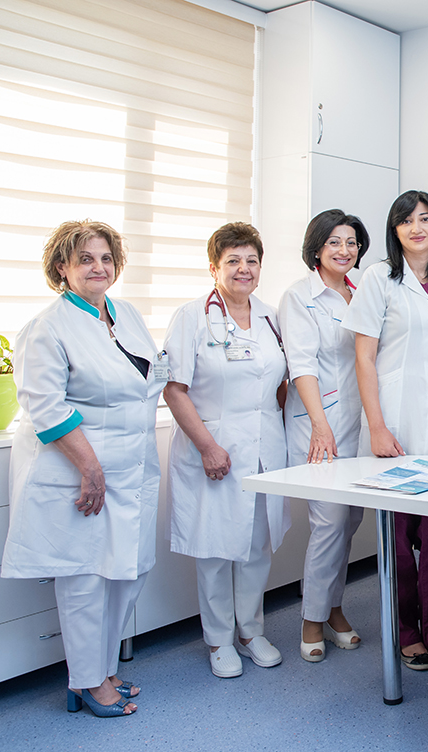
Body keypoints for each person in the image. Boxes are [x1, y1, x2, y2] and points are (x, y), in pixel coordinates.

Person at [2, 220, 168, 717]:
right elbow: (46, 407)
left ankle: (105, 667)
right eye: (85, 259)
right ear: (62, 268)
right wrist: (91, 469)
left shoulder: (125, 314)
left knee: (127, 572)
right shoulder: (48, 327)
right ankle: (88, 681)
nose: (99, 267)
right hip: (79, 473)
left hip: (133, 467)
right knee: (86, 579)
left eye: (106, 258)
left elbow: (147, 377)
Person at [344, 190, 428, 672]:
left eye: (425, 219)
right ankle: (407, 632)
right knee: (397, 542)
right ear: (395, 230)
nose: (416, 228)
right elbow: (364, 358)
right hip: (393, 424)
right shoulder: (378, 279)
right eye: (405, 221)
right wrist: (376, 426)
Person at [163, 223, 290, 679]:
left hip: (264, 448)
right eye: (233, 260)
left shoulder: (271, 317)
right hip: (213, 449)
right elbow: (174, 389)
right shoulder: (191, 317)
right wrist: (208, 447)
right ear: (213, 267)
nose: (244, 269)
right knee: (216, 548)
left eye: (252, 260)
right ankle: (218, 639)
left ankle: (251, 631)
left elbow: (279, 382)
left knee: (257, 545)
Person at [279, 209, 369, 662]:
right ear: (316, 248)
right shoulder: (300, 296)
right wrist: (319, 424)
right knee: (329, 523)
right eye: (334, 242)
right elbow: (302, 363)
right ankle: (312, 619)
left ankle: (334, 609)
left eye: (351, 242)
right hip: (320, 424)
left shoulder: (363, 290)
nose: (344, 250)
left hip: (359, 424)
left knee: (349, 522)